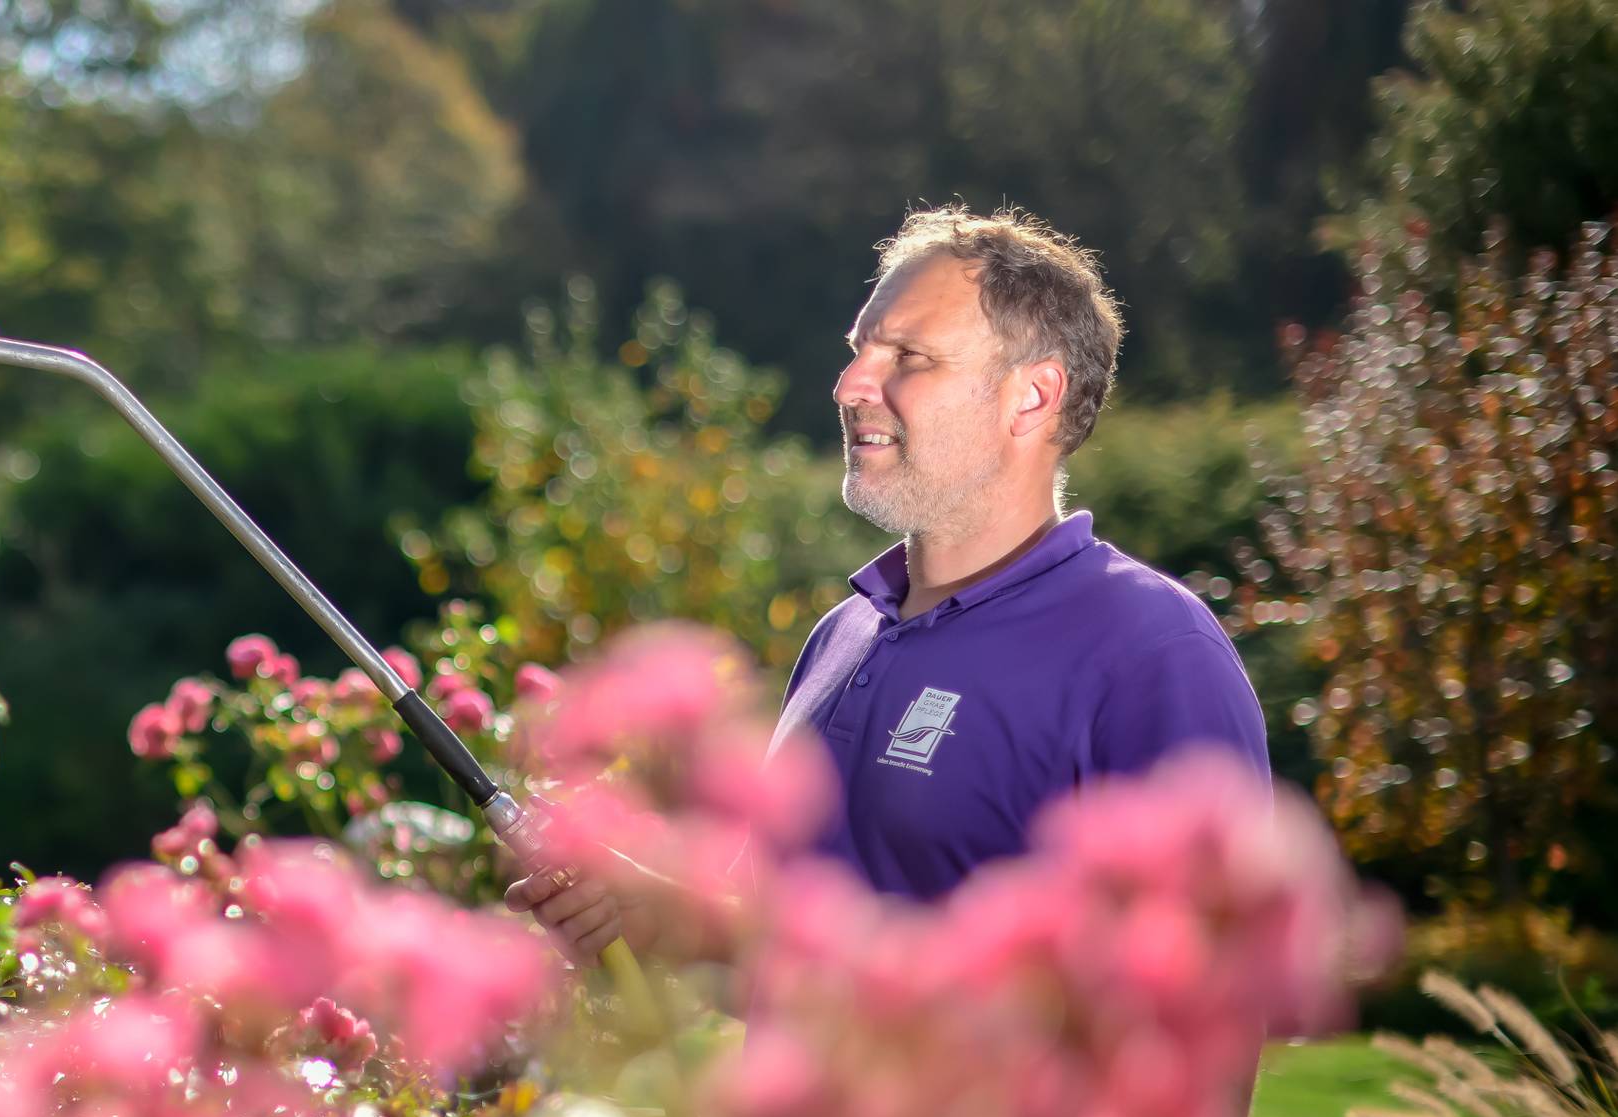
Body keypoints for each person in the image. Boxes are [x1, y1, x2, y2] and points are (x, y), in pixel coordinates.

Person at [508, 203, 1268, 941]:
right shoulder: (844, 636)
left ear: (1032, 397)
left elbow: (1201, 1016)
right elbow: (775, 951)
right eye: (859, 349)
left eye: (909, 356)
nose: (848, 385)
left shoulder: (1151, 651)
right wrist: (651, 920)